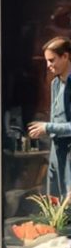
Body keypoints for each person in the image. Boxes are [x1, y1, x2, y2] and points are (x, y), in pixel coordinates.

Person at [28, 38, 71, 197]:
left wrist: (47, 127)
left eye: (52, 60)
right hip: (56, 149)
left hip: (68, 152)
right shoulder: (55, 84)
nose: (48, 65)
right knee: (53, 199)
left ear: (65, 56)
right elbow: (56, 116)